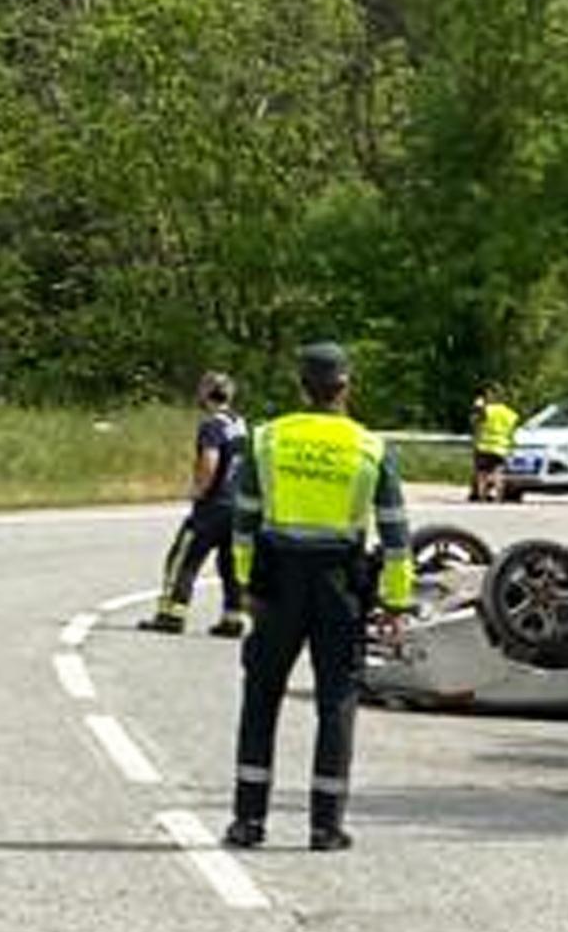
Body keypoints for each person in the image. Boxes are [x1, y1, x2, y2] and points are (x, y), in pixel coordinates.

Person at [222, 342, 414, 852]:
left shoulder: (267, 440)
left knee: (261, 699)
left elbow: (242, 521)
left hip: (277, 581)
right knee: (337, 703)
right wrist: (395, 604)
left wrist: (245, 587)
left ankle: (248, 821)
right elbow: (396, 536)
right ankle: (325, 826)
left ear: (301, 387)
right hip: (340, 584)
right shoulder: (370, 447)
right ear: (346, 387)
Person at [138, 372, 249, 637]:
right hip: (236, 505)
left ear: (207, 393)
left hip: (212, 507)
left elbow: (210, 460)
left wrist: (199, 489)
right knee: (230, 565)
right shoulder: (241, 423)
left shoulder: (211, 425)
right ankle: (233, 618)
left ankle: (171, 614)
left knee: (183, 559)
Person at [468, 386, 518, 503]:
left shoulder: (486, 410)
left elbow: (474, 421)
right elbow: (512, 429)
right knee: (498, 472)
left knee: (482, 472)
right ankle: (499, 496)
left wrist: (477, 406)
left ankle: (482, 496)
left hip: (484, 445)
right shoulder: (509, 413)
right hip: (501, 447)